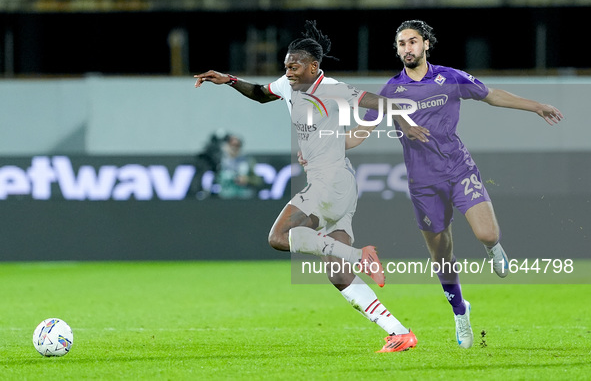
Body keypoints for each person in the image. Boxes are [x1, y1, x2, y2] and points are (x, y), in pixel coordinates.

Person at [194, 20, 429, 352]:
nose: (288, 71)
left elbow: (382, 104)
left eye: (294, 66)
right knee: (337, 271)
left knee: (278, 238)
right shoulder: (290, 85)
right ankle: (399, 332)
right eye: (286, 65)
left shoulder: (331, 88)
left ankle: (361, 256)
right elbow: (262, 95)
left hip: (328, 182)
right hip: (341, 182)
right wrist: (230, 80)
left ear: (313, 67)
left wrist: (409, 128)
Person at [352, 19, 564, 349]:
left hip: (459, 170)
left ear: (426, 44)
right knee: (443, 257)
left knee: (487, 233)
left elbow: (492, 95)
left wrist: (536, 106)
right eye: (401, 44)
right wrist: (329, 146)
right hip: (423, 185)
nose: (407, 48)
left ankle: (493, 249)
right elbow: (360, 132)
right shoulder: (391, 91)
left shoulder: (449, 78)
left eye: (412, 41)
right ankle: (460, 311)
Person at [216, 134, 262, 199]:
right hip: (224, 198)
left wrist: (247, 179)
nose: (234, 148)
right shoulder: (219, 161)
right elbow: (213, 179)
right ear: (227, 146)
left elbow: (258, 180)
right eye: (232, 145)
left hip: (244, 198)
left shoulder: (248, 161)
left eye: (237, 145)